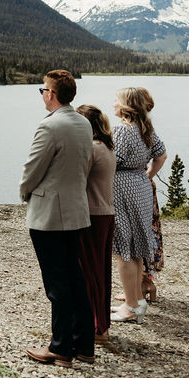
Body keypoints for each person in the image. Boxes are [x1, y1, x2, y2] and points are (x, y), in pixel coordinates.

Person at [20, 70, 95, 368]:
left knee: (57, 282)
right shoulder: (83, 123)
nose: (42, 94)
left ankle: (61, 349)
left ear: (51, 94)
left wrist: (25, 193)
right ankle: (84, 345)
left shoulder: (50, 127)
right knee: (75, 277)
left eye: (43, 89)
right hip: (76, 210)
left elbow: (33, 168)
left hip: (49, 213)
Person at [110, 87, 167, 324]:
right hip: (141, 186)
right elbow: (161, 155)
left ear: (125, 106)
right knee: (136, 248)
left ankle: (131, 306)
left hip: (122, 188)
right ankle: (136, 301)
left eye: (116, 100)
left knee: (125, 249)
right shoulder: (147, 130)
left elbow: (112, 161)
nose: (113, 104)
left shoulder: (122, 130)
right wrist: (148, 175)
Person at [75, 104, 117, 342]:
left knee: (89, 271)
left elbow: (77, 179)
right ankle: (102, 324)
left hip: (92, 215)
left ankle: (97, 328)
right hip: (106, 214)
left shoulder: (91, 148)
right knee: (101, 270)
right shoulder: (107, 147)